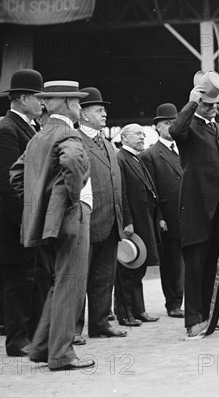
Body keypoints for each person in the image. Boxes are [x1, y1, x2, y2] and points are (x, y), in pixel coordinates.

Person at [9, 80, 94, 371]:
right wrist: (70, 199)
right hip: (73, 217)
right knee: (71, 283)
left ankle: (43, 347)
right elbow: (71, 161)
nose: (80, 106)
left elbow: (17, 174)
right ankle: (62, 355)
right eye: (78, 101)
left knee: (58, 284)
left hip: (48, 223)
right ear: (68, 104)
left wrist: (42, 205)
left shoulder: (39, 136)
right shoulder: (68, 133)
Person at [169, 70, 219, 338]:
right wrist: (191, 103)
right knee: (195, 265)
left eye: (214, 105)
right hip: (197, 207)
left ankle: (212, 315)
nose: (212, 110)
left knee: (215, 263)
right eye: (206, 105)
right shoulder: (188, 127)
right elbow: (174, 129)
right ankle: (194, 319)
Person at [0, 69, 46, 356]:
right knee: (17, 280)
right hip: (15, 219)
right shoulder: (7, 129)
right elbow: (6, 181)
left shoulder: (27, 127)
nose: (41, 103)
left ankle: (29, 334)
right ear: (24, 98)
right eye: (38, 98)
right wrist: (24, 218)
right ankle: (16, 340)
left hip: (26, 217)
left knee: (30, 277)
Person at [76, 87, 127, 340]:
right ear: (83, 115)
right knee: (78, 278)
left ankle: (100, 324)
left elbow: (117, 184)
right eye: (98, 109)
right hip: (85, 223)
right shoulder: (75, 141)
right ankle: (73, 329)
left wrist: (123, 219)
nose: (105, 113)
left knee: (104, 277)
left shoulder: (107, 144)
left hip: (110, 221)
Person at [140, 103, 185, 318]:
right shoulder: (150, 155)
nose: (171, 127)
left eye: (174, 123)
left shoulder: (186, 148)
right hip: (169, 214)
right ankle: (173, 302)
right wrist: (158, 217)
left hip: (188, 212)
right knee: (172, 261)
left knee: (189, 259)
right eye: (166, 123)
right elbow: (151, 191)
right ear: (157, 127)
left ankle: (187, 298)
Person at [115, 124, 161, 326]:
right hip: (133, 222)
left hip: (143, 220)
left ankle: (138, 309)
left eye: (143, 134)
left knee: (138, 268)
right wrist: (127, 221)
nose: (142, 137)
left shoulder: (135, 158)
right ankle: (125, 314)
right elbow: (122, 193)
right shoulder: (121, 159)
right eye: (137, 134)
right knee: (127, 269)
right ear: (124, 138)